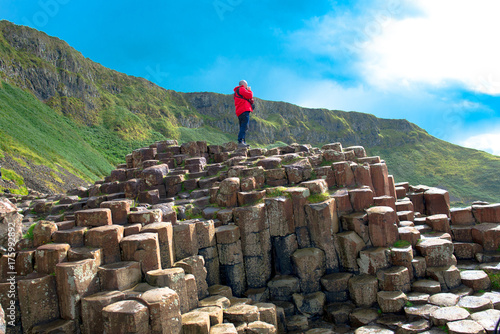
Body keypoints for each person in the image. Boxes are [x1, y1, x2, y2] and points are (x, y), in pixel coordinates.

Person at [233, 80, 254, 148]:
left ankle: (243, 142)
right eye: (246, 85)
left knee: (243, 126)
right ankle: (241, 141)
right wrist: (249, 90)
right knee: (245, 126)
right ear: (243, 84)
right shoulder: (241, 89)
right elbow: (250, 95)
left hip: (240, 111)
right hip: (244, 109)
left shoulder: (237, 92)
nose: (247, 86)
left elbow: (248, 98)